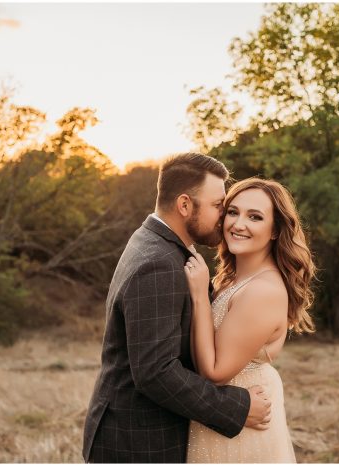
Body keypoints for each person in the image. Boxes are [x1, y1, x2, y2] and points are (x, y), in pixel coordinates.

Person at [82, 153, 271, 463]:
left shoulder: (155, 242)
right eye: (217, 206)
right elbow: (155, 372)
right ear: (185, 205)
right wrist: (235, 407)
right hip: (138, 444)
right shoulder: (159, 264)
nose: (224, 217)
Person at [184, 178, 315, 463]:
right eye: (233, 212)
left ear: (274, 231)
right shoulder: (235, 278)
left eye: (254, 217)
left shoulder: (263, 290)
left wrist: (197, 296)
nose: (238, 224)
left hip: (241, 425)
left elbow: (216, 372)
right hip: (221, 417)